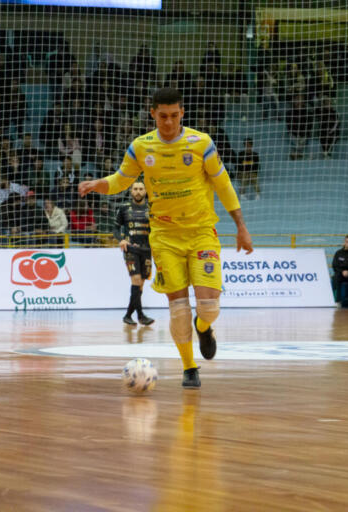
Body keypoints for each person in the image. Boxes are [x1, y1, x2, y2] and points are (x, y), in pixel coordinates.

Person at [78, 87, 253, 389]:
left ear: (182, 113)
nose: (169, 122)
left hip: (201, 233)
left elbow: (223, 183)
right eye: (163, 116)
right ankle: (189, 368)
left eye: (174, 116)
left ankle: (204, 327)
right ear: (153, 115)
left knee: (209, 306)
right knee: (179, 308)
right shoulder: (141, 147)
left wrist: (241, 225)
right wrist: (98, 184)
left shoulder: (202, 144)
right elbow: (121, 179)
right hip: (165, 237)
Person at [114, 181, 155, 326]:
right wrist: (121, 240)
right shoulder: (124, 208)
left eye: (141, 189)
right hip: (131, 249)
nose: (138, 191)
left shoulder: (152, 208)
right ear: (131, 191)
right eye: (135, 189)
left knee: (140, 286)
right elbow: (116, 228)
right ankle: (141, 316)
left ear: (145, 191)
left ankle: (128, 315)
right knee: (136, 281)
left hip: (147, 250)